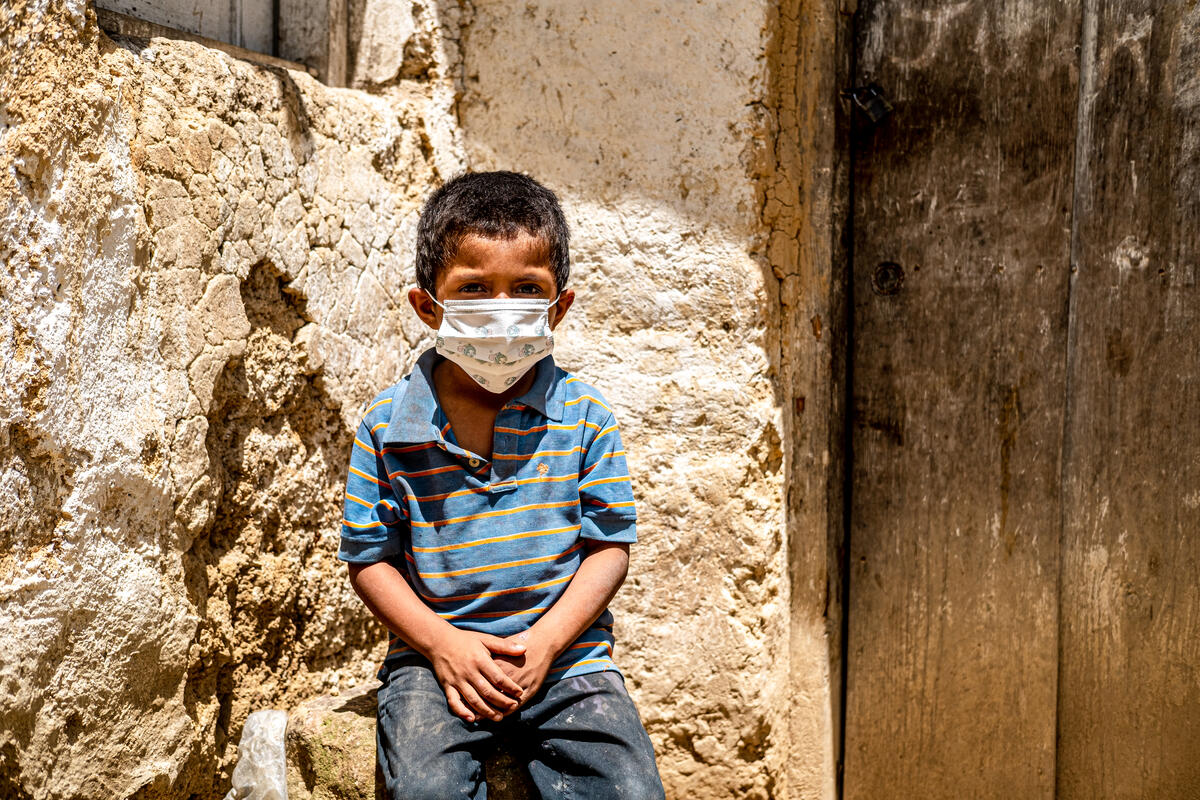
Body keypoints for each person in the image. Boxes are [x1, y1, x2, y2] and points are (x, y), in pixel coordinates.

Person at [337, 170, 666, 800]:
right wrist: (440, 645)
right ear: (427, 306)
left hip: (570, 661)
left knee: (629, 788)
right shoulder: (386, 427)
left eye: (525, 289)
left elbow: (609, 550)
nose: (500, 307)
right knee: (427, 788)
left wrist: (546, 642)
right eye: (474, 289)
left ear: (558, 306)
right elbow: (369, 561)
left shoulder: (585, 417)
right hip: (435, 665)